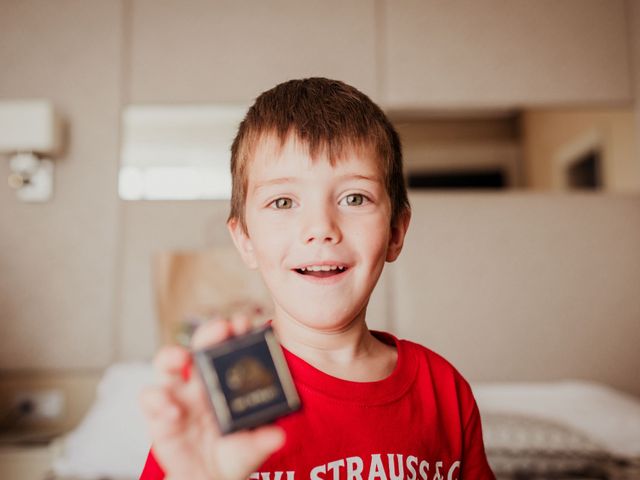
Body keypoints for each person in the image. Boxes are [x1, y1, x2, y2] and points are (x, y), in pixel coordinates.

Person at [139, 77, 495, 480]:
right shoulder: (219, 397)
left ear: (396, 232)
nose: (321, 228)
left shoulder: (443, 390)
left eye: (354, 198)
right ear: (246, 240)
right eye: (284, 201)